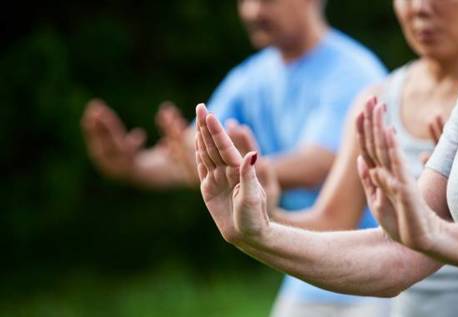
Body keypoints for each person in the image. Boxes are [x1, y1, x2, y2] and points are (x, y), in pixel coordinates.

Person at [81, 0, 388, 315]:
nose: (254, 12)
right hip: (307, 272)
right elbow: (193, 157)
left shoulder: (354, 71)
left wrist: (239, 172)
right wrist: (132, 166)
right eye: (246, 1)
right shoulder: (248, 79)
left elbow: (324, 162)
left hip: (376, 270)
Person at [194, 4, 458, 317]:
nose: (419, 6)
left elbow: (423, 237)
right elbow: (397, 254)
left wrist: (438, 232)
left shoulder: (353, 69)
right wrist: (262, 226)